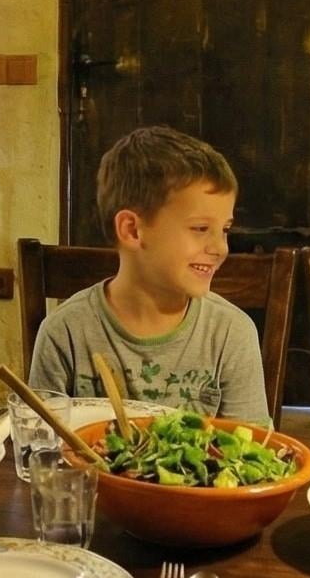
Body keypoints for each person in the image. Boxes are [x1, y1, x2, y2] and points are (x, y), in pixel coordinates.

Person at [27, 127, 270, 425]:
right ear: (132, 230)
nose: (220, 247)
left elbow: (253, 455)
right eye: (200, 228)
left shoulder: (232, 334)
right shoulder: (64, 333)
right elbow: (41, 451)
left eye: (225, 230)